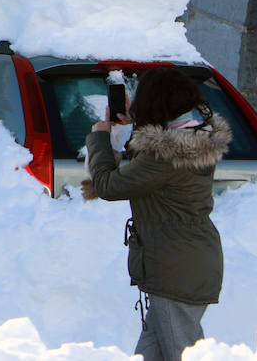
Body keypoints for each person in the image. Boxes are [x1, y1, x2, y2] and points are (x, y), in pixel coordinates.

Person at [85, 66, 233, 361]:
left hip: (175, 270)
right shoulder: (189, 138)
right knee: (150, 354)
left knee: (184, 354)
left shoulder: (165, 156)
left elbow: (108, 186)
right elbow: (147, 158)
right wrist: (131, 127)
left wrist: (100, 138)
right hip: (186, 262)